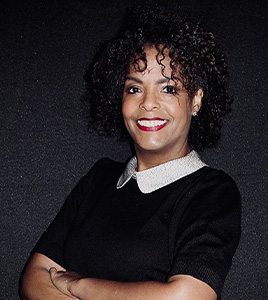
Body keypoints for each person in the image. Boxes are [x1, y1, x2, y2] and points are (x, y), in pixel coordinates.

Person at [21, 6, 241, 300]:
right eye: (134, 89)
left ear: (196, 100)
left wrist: (80, 285)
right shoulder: (99, 178)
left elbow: (189, 296)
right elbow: (34, 279)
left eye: (169, 89)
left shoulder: (212, 192)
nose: (148, 103)